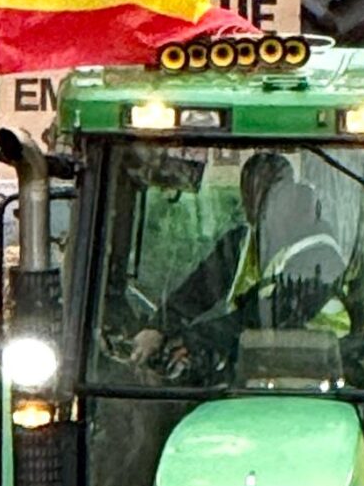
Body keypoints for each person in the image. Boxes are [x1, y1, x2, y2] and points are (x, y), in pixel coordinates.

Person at [132, 151, 349, 376]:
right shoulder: (242, 244)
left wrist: (194, 340)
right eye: (250, 195)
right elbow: (198, 290)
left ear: (289, 196)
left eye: (267, 195)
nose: (255, 206)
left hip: (323, 375)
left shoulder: (319, 255)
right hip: (258, 371)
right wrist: (158, 329)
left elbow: (269, 315)